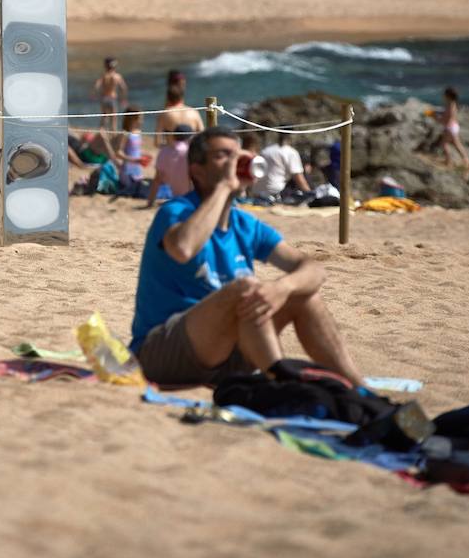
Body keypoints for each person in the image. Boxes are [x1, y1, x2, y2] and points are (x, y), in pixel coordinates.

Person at [129, 128, 364, 388]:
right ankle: (282, 385)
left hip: (227, 357)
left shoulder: (244, 223)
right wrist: (225, 186)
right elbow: (184, 248)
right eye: (222, 155)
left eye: (237, 155)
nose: (233, 162)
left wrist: (282, 288)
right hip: (164, 353)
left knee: (303, 295)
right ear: (197, 170)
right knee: (245, 287)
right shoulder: (176, 211)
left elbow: (313, 270)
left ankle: (361, 390)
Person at [250, 135, 312, 203]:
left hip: (257, 193)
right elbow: (299, 178)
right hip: (276, 194)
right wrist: (310, 195)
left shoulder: (265, 151)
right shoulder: (291, 152)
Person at [146, 124, 193, 207]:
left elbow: (157, 179)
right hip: (191, 197)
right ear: (190, 137)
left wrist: (150, 201)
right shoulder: (190, 152)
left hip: (174, 196)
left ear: (174, 136)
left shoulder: (164, 151)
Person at [114, 110, 146, 195]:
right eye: (141, 117)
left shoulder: (139, 132)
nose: (142, 119)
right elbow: (118, 153)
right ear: (134, 119)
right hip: (127, 168)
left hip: (137, 168)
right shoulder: (125, 133)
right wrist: (133, 160)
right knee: (133, 190)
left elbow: (136, 150)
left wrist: (143, 156)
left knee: (140, 188)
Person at [93, 57, 129, 131]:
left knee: (104, 117)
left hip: (104, 98)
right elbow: (124, 88)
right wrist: (123, 99)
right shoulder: (117, 76)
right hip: (112, 98)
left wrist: (94, 94)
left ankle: (101, 132)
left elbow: (96, 86)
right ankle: (113, 134)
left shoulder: (104, 76)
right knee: (114, 118)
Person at [439, 87, 469, 169]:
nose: (443, 95)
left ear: (448, 96)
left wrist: (434, 117)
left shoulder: (450, 104)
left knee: (444, 144)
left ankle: (448, 161)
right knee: (456, 144)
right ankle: (466, 159)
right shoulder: (452, 103)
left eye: (444, 94)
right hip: (454, 126)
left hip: (450, 127)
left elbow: (449, 118)